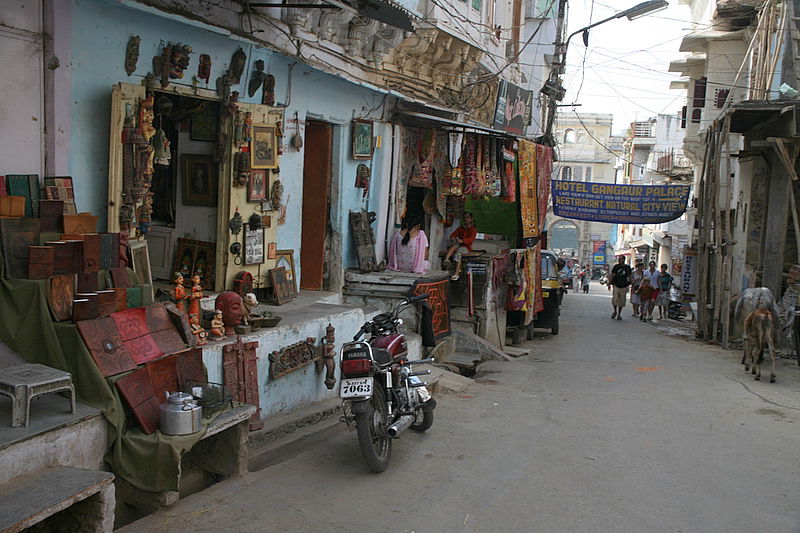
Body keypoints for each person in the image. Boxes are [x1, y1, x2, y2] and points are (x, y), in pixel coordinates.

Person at [443, 211, 477, 281]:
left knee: (459, 251)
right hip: (458, 244)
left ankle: (456, 272)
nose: (466, 219)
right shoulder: (461, 228)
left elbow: (471, 239)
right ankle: (446, 259)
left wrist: (463, 241)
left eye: (468, 217)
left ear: (471, 219)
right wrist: (453, 238)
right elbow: (454, 234)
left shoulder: (473, 229)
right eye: (465, 218)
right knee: (455, 245)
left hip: (466, 247)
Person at [607, 255, 632, 320]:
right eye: (619, 259)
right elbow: (612, 275)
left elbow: (629, 276)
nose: (619, 260)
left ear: (623, 260)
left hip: (623, 286)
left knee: (622, 301)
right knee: (615, 299)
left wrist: (631, 284)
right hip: (616, 285)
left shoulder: (627, 267)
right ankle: (615, 311)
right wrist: (609, 283)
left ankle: (619, 314)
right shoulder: (616, 267)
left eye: (620, 259)